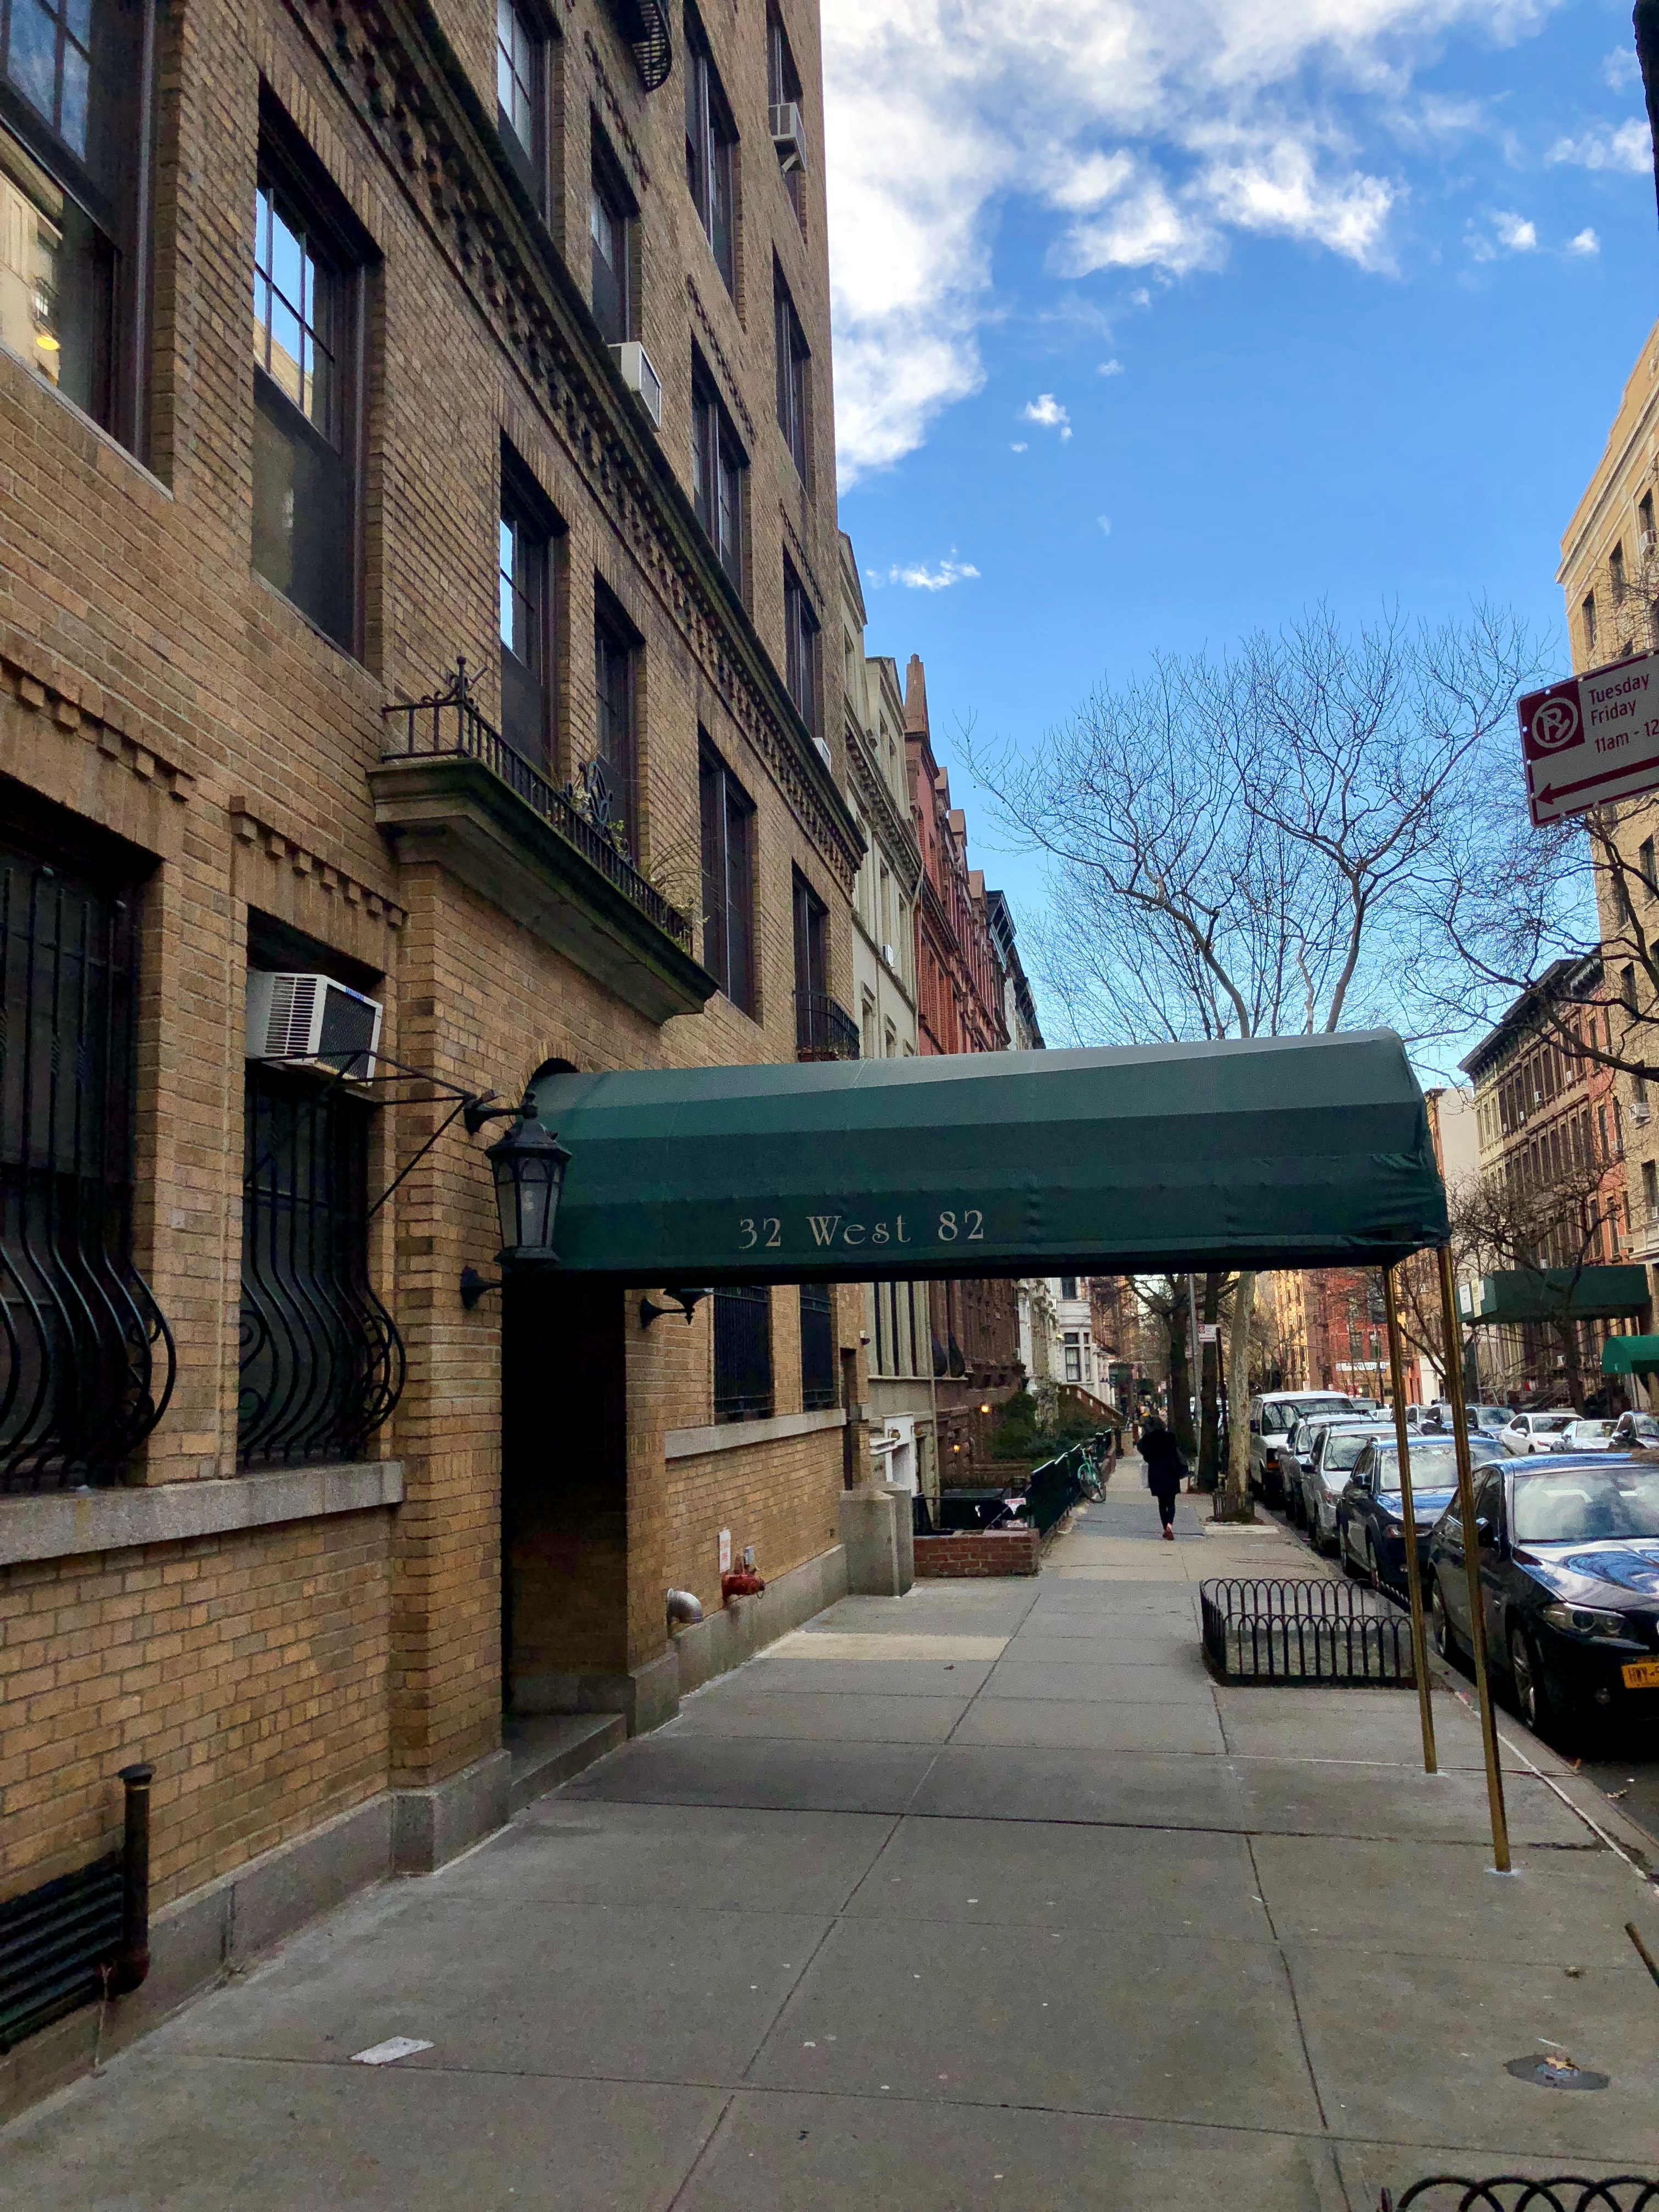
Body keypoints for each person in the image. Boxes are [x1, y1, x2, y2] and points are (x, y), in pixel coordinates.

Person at [1138, 1412, 1186, 1541]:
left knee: (1162, 1502)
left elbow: (1142, 1450)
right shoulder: (1170, 1437)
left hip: (1156, 1473)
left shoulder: (1149, 1439)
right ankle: (1170, 1525)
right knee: (1171, 1502)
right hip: (1171, 1472)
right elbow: (1176, 1452)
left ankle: (1165, 1527)